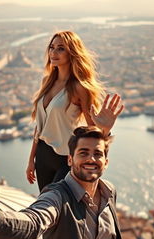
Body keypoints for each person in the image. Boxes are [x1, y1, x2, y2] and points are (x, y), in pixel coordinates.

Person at [0, 126, 123, 239]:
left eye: (98, 154)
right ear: (70, 159)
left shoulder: (109, 191)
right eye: (83, 153)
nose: (91, 159)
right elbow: (32, 222)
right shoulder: (57, 197)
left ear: (106, 162)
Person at [26, 30, 124, 191]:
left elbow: (93, 130)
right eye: (52, 47)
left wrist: (105, 129)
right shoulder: (47, 81)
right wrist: (31, 160)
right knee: (45, 203)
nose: (54, 52)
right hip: (43, 155)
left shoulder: (79, 88)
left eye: (61, 48)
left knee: (59, 201)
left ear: (72, 53)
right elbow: (40, 126)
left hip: (66, 158)